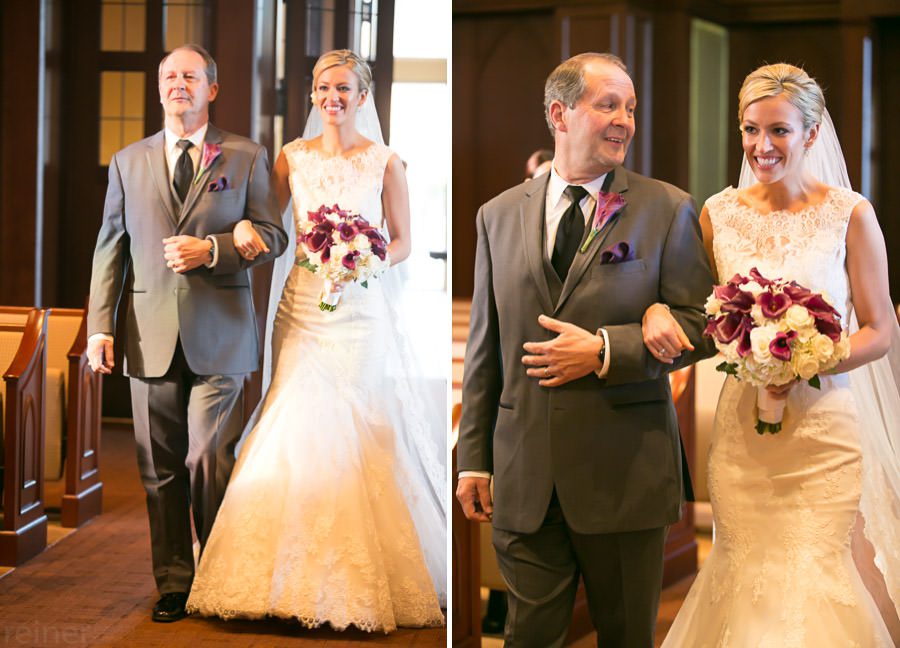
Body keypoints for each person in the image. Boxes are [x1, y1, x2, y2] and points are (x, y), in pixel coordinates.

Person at [455, 52, 716, 647]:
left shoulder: (665, 208)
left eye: (629, 107)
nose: (624, 119)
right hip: (526, 476)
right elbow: (485, 349)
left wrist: (605, 350)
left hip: (624, 473)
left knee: (626, 637)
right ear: (560, 113)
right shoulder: (497, 215)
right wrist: (475, 457)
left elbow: (704, 324)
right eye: (608, 105)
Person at [185, 49, 446, 632]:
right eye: (324, 87)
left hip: (361, 309)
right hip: (302, 305)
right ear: (312, 95)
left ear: (361, 97)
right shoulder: (291, 158)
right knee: (290, 418)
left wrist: (367, 259)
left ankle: (344, 583)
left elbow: (402, 239)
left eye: (345, 88)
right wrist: (246, 229)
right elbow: (272, 225)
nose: (333, 96)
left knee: (356, 426)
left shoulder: (385, 161)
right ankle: (271, 579)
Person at [642, 63, 900, 646]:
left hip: (826, 432)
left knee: (816, 568)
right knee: (743, 565)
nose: (763, 146)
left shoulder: (850, 215)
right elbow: (692, 310)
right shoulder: (717, 214)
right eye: (751, 130)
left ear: (811, 134)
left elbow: (881, 329)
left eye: (780, 131)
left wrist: (808, 361)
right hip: (742, 430)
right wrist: (658, 313)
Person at [86, 44, 288, 623]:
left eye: (190, 76)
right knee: (160, 469)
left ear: (212, 89)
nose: (179, 83)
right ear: (160, 89)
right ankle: (175, 581)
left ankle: (222, 576)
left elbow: (273, 235)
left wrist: (215, 250)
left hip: (221, 334)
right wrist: (101, 328)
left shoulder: (246, 156)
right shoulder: (127, 161)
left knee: (208, 457)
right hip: (148, 335)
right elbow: (110, 252)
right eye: (170, 76)